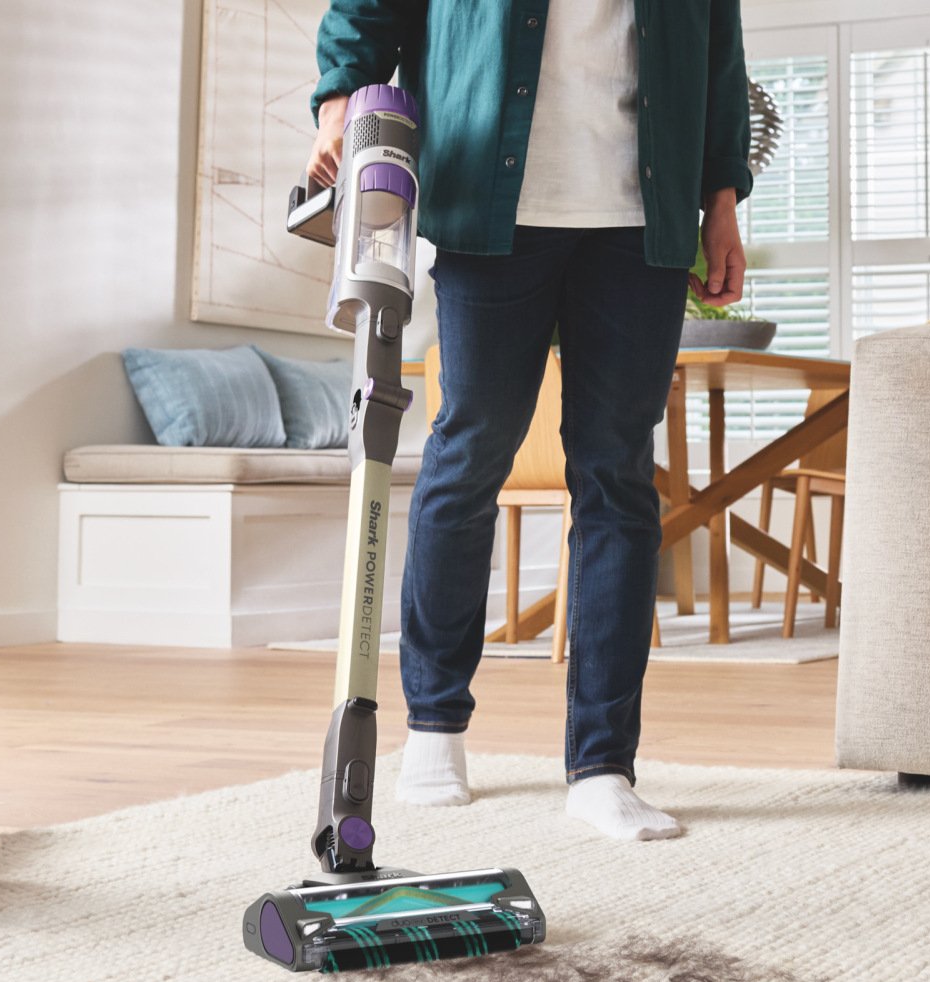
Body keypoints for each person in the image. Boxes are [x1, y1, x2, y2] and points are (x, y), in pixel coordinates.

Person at [310, 2, 754, 840]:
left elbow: (716, 58)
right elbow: (364, 15)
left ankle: (602, 766)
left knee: (617, 475)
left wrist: (720, 203)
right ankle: (434, 726)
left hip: (640, 218)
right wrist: (341, 111)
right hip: (487, 203)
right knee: (470, 453)